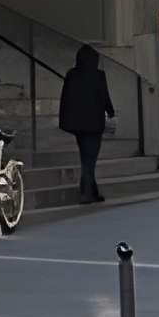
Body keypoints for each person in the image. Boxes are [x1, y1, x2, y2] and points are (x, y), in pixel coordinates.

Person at [59, 43, 115, 203]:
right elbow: (105, 97)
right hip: (94, 124)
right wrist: (111, 112)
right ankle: (86, 193)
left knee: (86, 158)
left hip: (77, 124)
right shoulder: (99, 75)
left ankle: (92, 192)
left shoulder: (72, 74)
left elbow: (65, 98)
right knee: (90, 160)